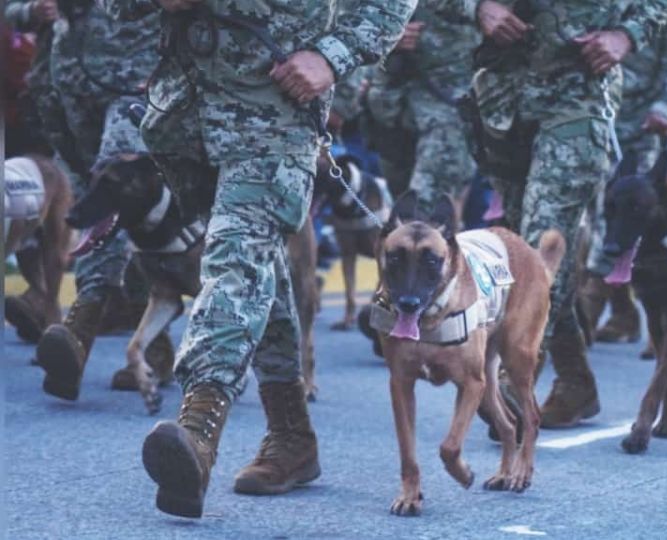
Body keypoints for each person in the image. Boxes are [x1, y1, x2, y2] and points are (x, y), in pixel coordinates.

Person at [101, 0, 476, 519]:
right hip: (187, 119)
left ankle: (199, 430)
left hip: (273, 112)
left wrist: (332, 53)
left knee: (237, 259)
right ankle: (291, 435)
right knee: (257, 267)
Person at [468, 0, 667, 427]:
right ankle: (577, 383)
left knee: (544, 240)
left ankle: (514, 377)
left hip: (578, 97)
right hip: (503, 103)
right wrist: (478, 7)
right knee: (523, 243)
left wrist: (626, 34)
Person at [23, 1, 175, 401]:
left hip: (133, 86)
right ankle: (157, 354)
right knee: (108, 203)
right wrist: (30, 11)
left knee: (113, 193)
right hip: (64, 94)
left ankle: (78, 333)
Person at [579, 1, 667, 347]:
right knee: (596, 215)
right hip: (588, 118)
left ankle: (602, 309)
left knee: (630, 218)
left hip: (642, 124)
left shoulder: (659, 7)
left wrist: (665, 108)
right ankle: (621, 310)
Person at [363, 4, 481, 207]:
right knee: (396, 202)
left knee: (426, 211)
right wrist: (377, 37)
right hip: (387, 102)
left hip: (448, 100)